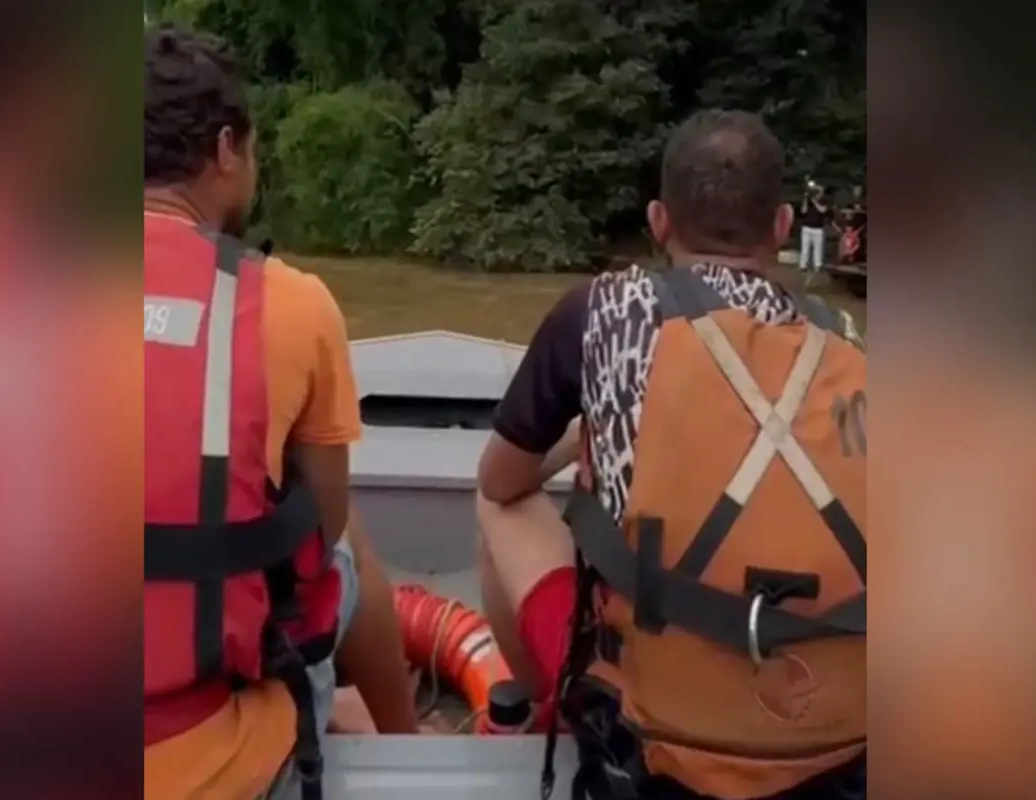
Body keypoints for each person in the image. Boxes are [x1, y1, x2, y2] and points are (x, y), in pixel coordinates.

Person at [476, 110, 866, 800]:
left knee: (497, 507)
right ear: (781, 228)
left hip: (659, 740)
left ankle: (556, 711)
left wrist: (585, 434)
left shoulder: (599, 313)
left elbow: (503, 478)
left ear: (658, 221)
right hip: (838, 745)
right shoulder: (851, 346)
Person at [143, 25, 418, 800]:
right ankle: (404, 742)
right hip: (203, 761)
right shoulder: (292, 303)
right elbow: (321, 526)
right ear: (227, 150)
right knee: (341, 548)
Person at [799, 180, 829, 274]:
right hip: (806, 228)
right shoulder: (808, 201)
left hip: (818, 229)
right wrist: (805, 198)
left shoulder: (823, 201)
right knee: (805, 248)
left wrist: (815, 201)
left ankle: (818, 265)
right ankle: (803, 265)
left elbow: (822, 211)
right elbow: (803, 211)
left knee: (818, 248)